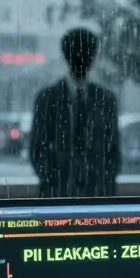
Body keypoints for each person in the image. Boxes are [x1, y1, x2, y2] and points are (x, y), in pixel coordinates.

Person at [29, 28, 121, 198]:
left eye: (88, 54)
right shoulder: (47, 99)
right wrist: (55, 180)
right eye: (78, 53)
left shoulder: (106, 100)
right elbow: (37, 150)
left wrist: (102, 182)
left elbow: (113, 151)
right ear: (67, 57)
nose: (83, 59)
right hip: (57, 195)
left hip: (97, 196)